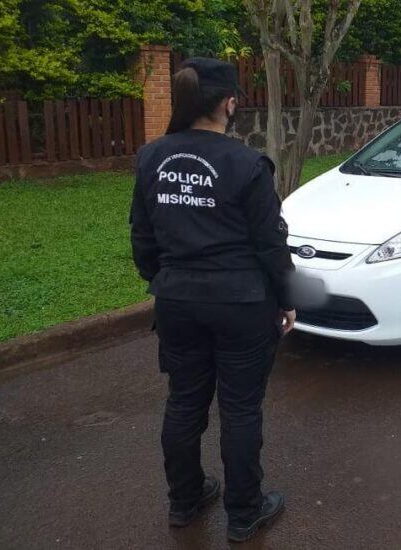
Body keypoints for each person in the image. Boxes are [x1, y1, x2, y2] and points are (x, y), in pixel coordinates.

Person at [129, 57, 295, 543]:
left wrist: (165, 280)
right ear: (228, 103)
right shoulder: (247, 164)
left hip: (178, 301)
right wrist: (286, 300)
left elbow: (143, 237)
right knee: (240, 410)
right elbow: (270, 244)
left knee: (183, 402)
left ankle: (185, 500)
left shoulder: (150, 157)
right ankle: (244, 512)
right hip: (241, 304)